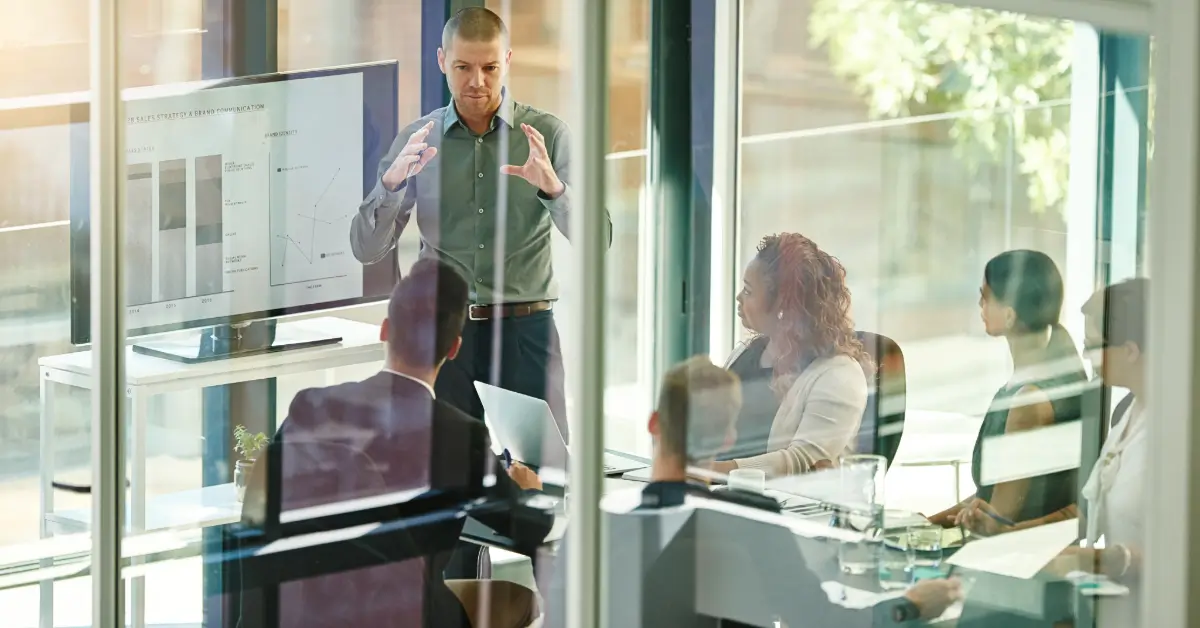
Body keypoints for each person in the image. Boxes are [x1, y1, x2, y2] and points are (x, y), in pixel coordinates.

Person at [239, 258, 552, 628]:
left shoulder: (311, 406)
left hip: (301, 613)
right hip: (405, 617)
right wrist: (529, 492)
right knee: (518, 599)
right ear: (454, 348)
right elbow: (526, 527)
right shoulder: (458, 435)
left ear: (385, 330)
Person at [542, 356, 961, 627]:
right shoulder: (749, 519)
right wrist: (912, 605)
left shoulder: (593, 526)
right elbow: (821, 620)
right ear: (728, 437)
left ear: (654, 424)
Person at [350, 7, 611, 439]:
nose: (477, 81)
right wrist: (392, 183)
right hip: (446, 335)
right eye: (463, 67)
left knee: (543, 473)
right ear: (441, 62)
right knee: (450, 478)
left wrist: (554, 191)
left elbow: (597, 240)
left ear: (507, 60)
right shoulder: (417, 140)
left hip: (527, 332)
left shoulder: (548, 135)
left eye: (490, 67)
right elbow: (366, 249)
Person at [962, 279, 1148, 628]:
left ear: (1131, 350)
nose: (1088, 357)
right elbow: (1087, 512)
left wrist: (1103, 560)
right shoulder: (1126, 411)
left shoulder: (1179, 433)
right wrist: (1008, 532)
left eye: (1094, 346)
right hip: (1109, 605)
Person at [928, 250, 1088, 530]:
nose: (980, 304)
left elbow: (998, 517)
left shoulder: (1029, 401)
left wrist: (925, 529)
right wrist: (924, 524)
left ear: (1011, 315)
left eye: (986, 297)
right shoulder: (1053, 374)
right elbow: (988, 498)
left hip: (1014, 559)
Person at [711, 232, 871, 477]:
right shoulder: (745, 353)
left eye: (748, 291)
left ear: (783, 307)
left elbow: (802, 460)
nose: (738, 297)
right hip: (718, 495)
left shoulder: (839, 376)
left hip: (782, 508)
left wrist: (713, 472)